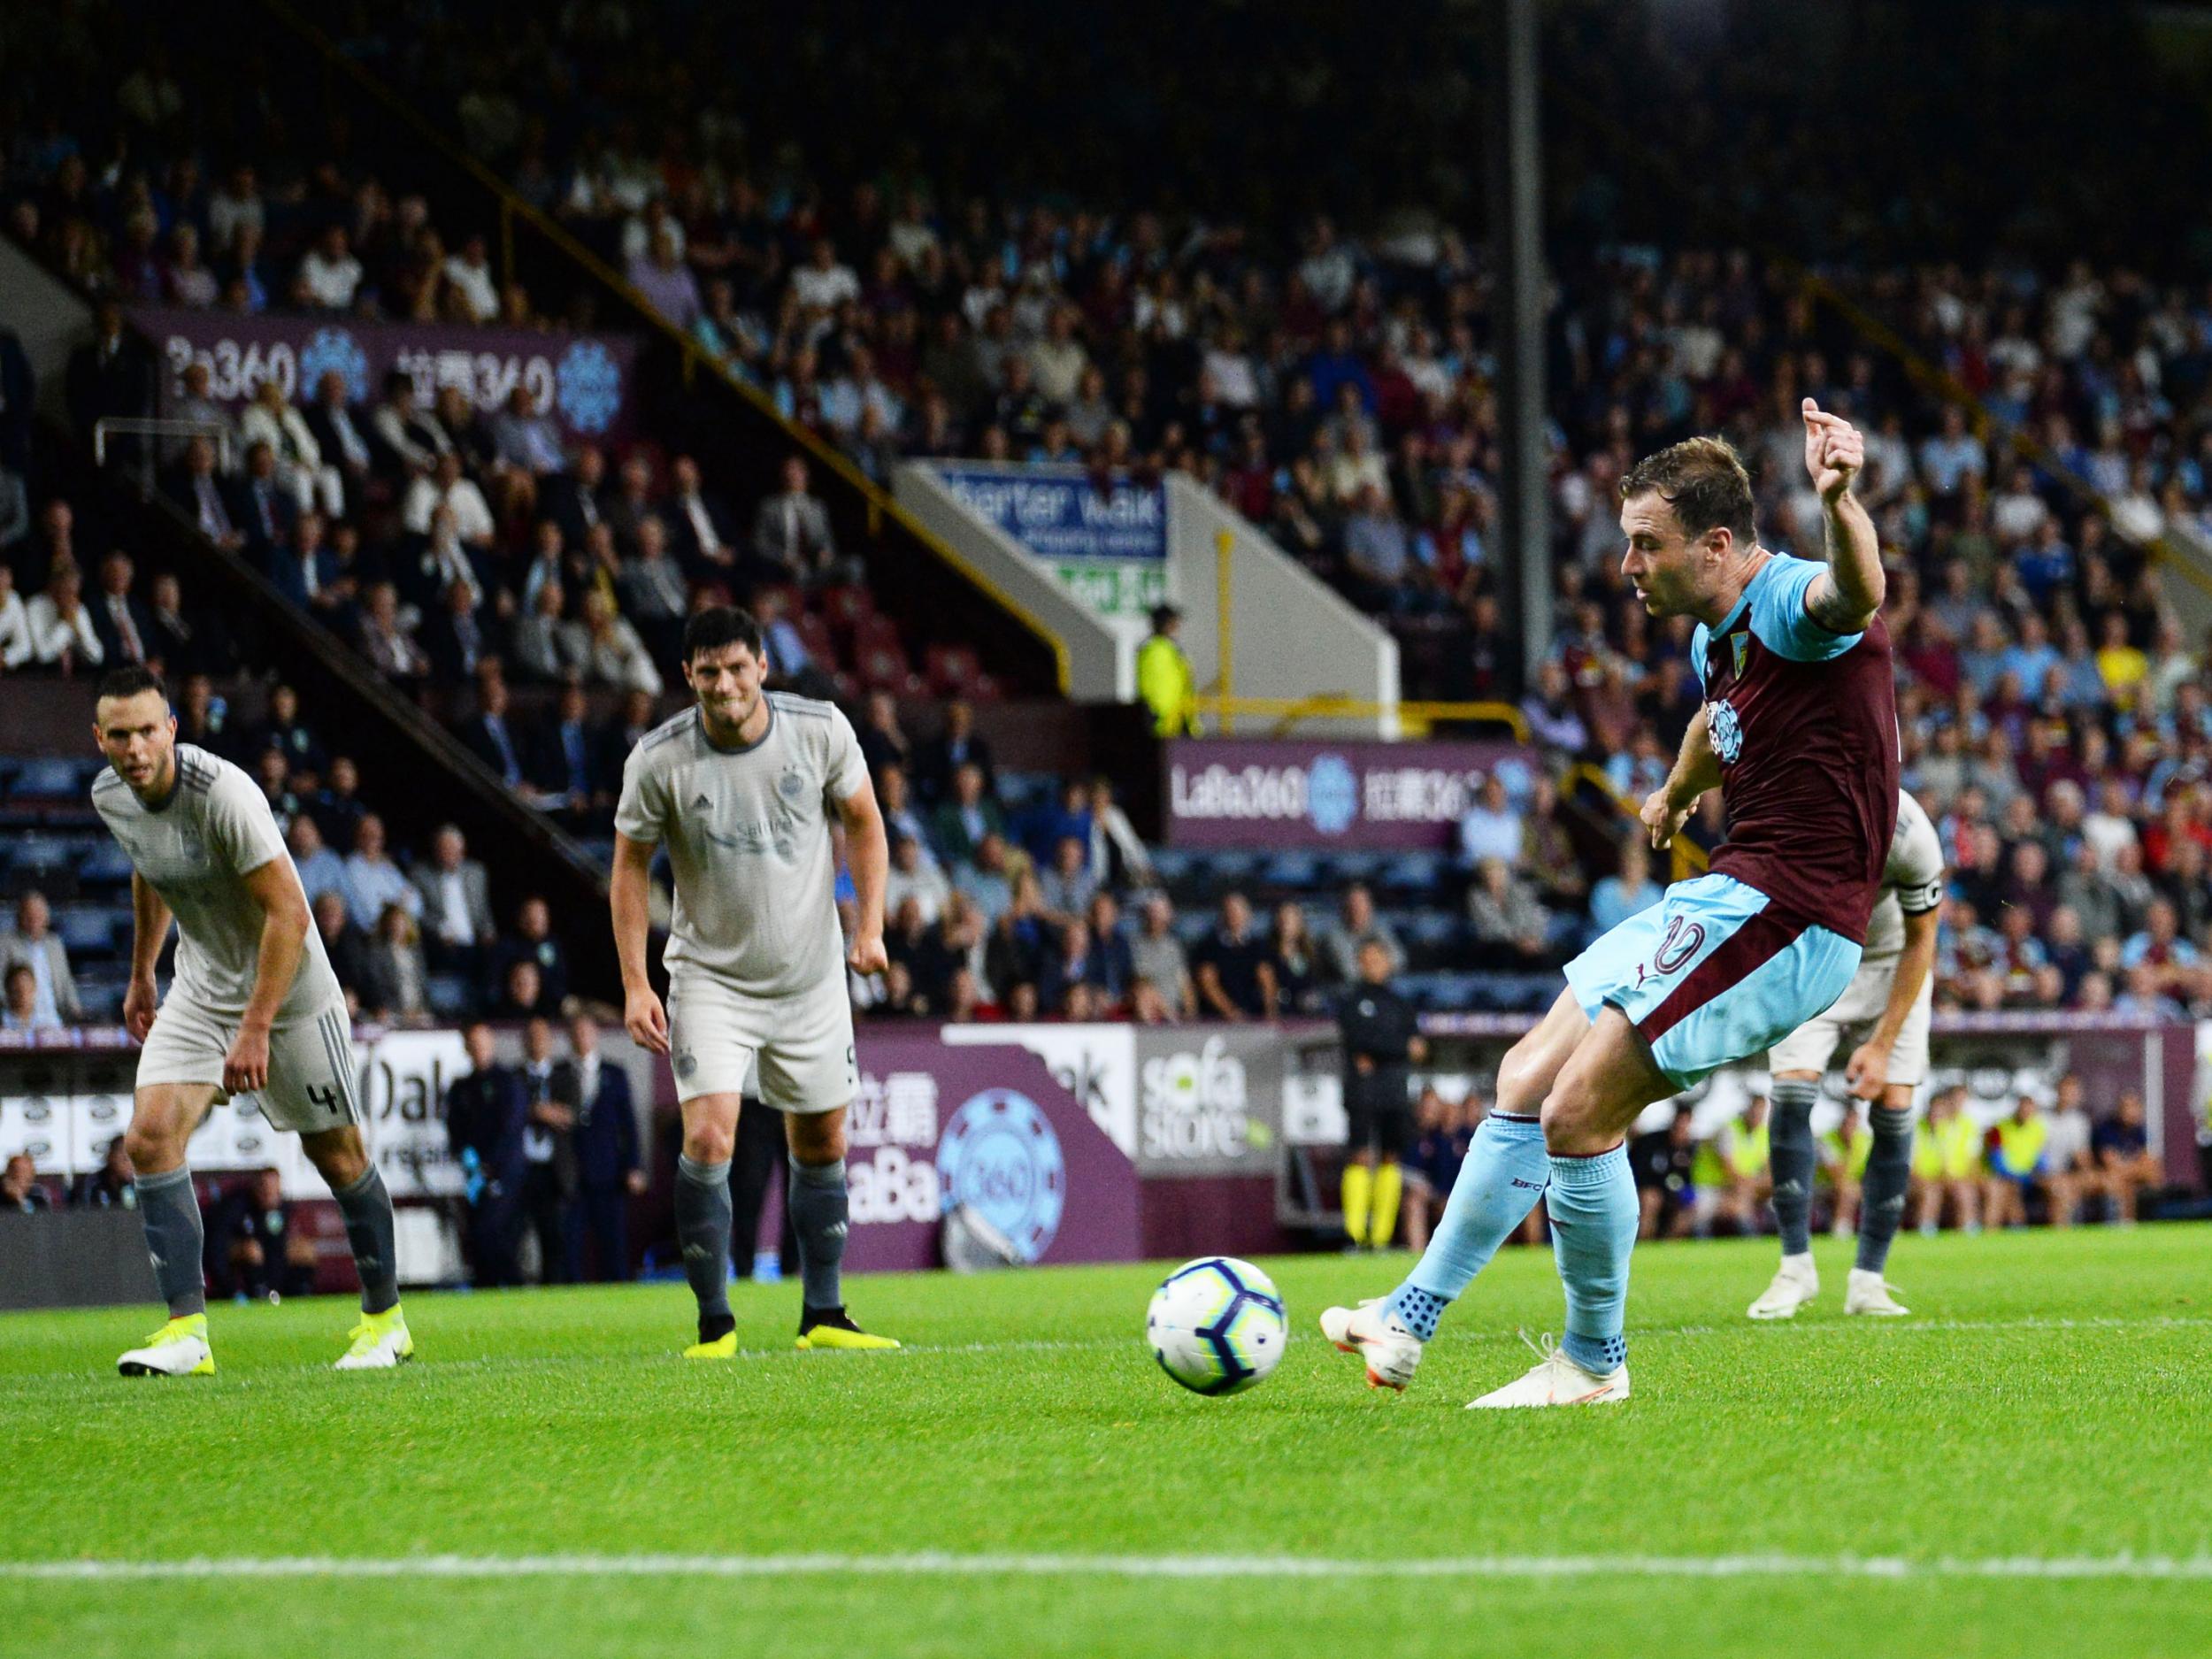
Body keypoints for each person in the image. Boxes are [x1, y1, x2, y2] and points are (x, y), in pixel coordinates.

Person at [1325, 407, 1895, 1407]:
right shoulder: (1715, 641)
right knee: (1526, 1070)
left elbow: (1855, 594)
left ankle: (1593, 1362)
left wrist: (1842, 503)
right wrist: (1677, 792)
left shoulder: (1787, 600)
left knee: (1577, 1111)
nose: (1626, 564)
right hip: (1730, 887)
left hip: (1792, 915)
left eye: (1646, 544)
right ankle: (1406, 1321)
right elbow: (1713, 728)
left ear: (1717, 545)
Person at [88, 666, 411, 1375]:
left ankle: (385, 1321)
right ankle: (186, 1333)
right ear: (100, 739)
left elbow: (290, 912)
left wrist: (258, 1025)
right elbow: (150, 867)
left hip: (289, 991)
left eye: (148, 730)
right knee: (149, 1138)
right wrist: (143, 970)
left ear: (171, 727)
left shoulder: (225, 793)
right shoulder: (111, 795)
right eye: (120, 734)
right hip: (202, 986)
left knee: (338, 1155)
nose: (136, 746)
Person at [611, 606, 899, 1356]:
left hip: (810, 978)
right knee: (709, 1137)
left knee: (823, 1136)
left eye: (738, 668)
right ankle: (715, 1325)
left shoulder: (820, 729)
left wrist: (869, 925)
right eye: (708, 672)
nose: (725, 684)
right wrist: (636, 982)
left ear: (763, 667)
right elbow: (629, 866)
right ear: (687, 677)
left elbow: (865, 821)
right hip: (711, 980)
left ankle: (825, 1316)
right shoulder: (659, 758)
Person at [1751, 788, 1945, 1320]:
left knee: (1895, 1105)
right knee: (1790, 1089)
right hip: (1810, 959)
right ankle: (1795, 1269)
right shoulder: (1793, 814)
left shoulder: (1913, 836)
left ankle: (1868, 1280)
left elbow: (1922, 940)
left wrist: (1881, 1045)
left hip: (1890, 965)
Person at [1337, 939, 1425, 1251]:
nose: (1372, 964)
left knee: (1391, 1156)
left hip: (1393, 1090)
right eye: (1366, 958)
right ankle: (1355, 1235)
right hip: (1362, 1090)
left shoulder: (1400, 1003)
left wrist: (1384, 1051)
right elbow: (1359, 1040)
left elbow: (1418, 1047)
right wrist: (1399, 1048)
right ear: (1359, 963)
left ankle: (1381, 1238)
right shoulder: (1351, 1001)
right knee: (1360, 1155)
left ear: (1388, 962)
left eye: (1377, 958)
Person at [558, 1013, 644, 1280]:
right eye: (576, 1032)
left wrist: (633, 1166)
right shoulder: (558, 1073)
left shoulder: (614, 1074)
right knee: (570, 1246)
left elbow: (629, 1125)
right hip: (570, 1174)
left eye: (586, 1032)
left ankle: (619, 1296)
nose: (582, 1038)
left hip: (609, 1173)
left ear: (596, 1035)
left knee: (612, 1243)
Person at [444, 1019, 528, 1287]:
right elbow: (455, 1129)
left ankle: (515, 1286)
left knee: (491, 1232)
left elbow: (510, 1129)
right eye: (473, 1045)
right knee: (477, 1234)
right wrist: (468, 1159)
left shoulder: (508, 1083)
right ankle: (486, 1290)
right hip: (474, 1175)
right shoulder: (461, 1088)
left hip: (505, 1174)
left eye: (482, 1043)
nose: (478, 1049)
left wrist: (491, 1165)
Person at [517, 1017, 577, 1285]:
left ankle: (556, 1287)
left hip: (554, 1171)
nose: (537, 1043)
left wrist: (541, 1112)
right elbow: (512, 1115)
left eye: (542, 1037)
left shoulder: (565, 1076)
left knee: (556, 1236)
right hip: (522, 1169)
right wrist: (538, 1111)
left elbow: (571, 1116)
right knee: (517, 1233)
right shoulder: (514, 1078)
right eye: (531, 1037)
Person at [1403, 1089, 1475, 1254]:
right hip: (1435, 1193)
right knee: (1414, 1202)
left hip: (1462, 1195)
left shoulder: (1469, 1137)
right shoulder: (1427, 1137)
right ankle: (1417, 1254)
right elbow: (1409, 1170)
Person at [0, 890, 82, 1026]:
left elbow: (66, 983)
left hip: (53, 1019)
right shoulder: (5, 943)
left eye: (38, 914)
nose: (34, 919)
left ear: (47, 917)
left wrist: (76, 1011)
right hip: (17, 1022)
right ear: (19, 916)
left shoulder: (55, 944)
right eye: (29, 914)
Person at [1911, 1086, 1981, 1235]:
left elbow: (1961, 1160)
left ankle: (1968, 1229)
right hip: (1926, 1179)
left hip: (1949, 1178)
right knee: (1931, 1192)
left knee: (1964, 1191)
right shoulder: (1918, 1128)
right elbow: (1913, 1164)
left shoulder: (1954, 1128)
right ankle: (1926, 1229)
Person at [1630, 1103, 1700, 1240]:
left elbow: (1686, 1178)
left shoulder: (1689, 1148)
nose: (1681, 1126)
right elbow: (1641, 1170)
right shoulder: (1651, 1142)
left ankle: (1669, 1242)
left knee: (1691, 1206)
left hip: (1673, 1191)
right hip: (1649, 1189)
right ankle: (1645, 1241)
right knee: (1651, 1200)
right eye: (1679, 1121)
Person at [2092, 1091, 2161, 1224]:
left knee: (2153, 1174)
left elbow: (2148, 1161)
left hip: (2126, 1174)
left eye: (2133, 1107)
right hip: (2105, 1176)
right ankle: (2122, 1222)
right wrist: (2134, 1168)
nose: (2129, 1111)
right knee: (2117, 1181)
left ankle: (2150, 1220)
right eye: (2125, 1107)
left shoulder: (2140, 1131)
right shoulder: (2106, 1129)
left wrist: (2132, 1169)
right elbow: (2110, 1162)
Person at [1136, 603, 1199, 736]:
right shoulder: (1158, 651)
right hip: (1168, 723)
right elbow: (1159, 691)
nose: (1177, 626)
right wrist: (1167, 719)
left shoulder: (1167, 649)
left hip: (1177, 720)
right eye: (1174, 622)